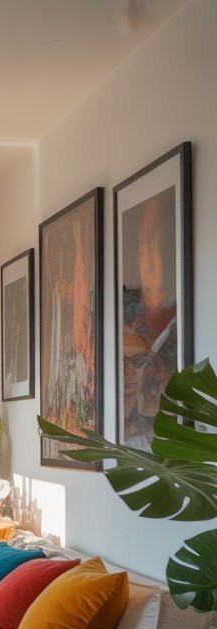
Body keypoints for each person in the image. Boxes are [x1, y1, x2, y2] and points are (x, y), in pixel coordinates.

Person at [122, 191, 177, 450]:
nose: (148, 258)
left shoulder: (180, 324)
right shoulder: (128, 317)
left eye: (156, 243)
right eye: (143, 245)